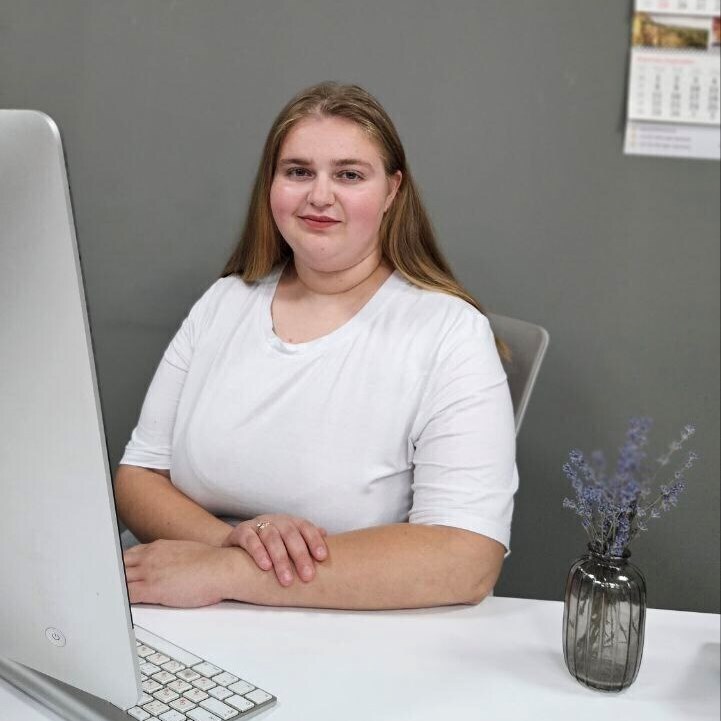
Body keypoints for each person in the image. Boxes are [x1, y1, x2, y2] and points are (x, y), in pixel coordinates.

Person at [117, 81, 518, 611]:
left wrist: (228, 571)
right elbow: (140, 475)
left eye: (349, 175)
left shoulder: (450, 333)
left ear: (392, 191)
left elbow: (465, 559)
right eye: (298, 172)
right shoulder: (224, 301)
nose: (320, 196)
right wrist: (232, 542)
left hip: (339, 629)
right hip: (185, 605)